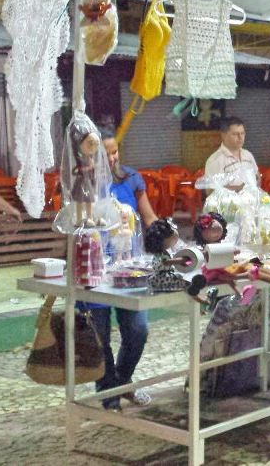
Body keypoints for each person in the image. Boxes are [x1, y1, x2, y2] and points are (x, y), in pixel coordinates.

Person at [79, 129, 157, 411]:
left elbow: (148, 217)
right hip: (94, 271)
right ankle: (108, 395)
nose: (112, 158)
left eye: (115, 151)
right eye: (105, 153)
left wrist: (167, 238)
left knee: (138, 330)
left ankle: (122, 381)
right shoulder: (82, 183)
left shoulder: (132, 179)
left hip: (129, 269)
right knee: (100, 337)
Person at [204, 116, 258, 189]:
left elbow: (257, 177)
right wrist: (240, 189)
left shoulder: (248, 155)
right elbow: (210, 190)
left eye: (242, 133)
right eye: (235, 134)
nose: (240, 137)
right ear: (223, 135)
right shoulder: (215, 160)